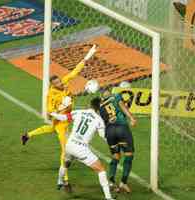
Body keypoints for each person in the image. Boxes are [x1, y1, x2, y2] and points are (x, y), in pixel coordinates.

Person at [21, 45, 97, 189]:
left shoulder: (65, 81)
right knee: (65, 150)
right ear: (53, 85)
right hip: (62, 122)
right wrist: (62, 106)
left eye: (61, 82)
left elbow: (76, 70)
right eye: (57, 84)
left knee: (50, 128)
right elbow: (50, 112)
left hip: (65, 119)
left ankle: (27, 135)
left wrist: (88, 55)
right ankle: (65, 180)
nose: (61, 84)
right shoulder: (51, 95)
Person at [49, 97, 116, 200]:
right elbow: (103, 136)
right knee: (101, 170)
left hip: (70, 144)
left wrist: (53, 114)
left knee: (66, 163)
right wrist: (113, 142)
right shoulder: (99, 120)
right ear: (99, 108)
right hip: (81, 149)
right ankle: (108, 198)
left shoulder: (79, 112)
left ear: (90, 104)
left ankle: (60, 181)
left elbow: (64, 118)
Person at [99, 89, 137, 193]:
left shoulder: (101, 106)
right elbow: (122, 106)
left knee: (115, 156)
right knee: (129, 155)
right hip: (122, 129)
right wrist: (131, 118)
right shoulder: (116, 97)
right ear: (109, 93)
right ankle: (123, 182)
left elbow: (103, 121)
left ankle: (111, 182)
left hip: (110, 132)